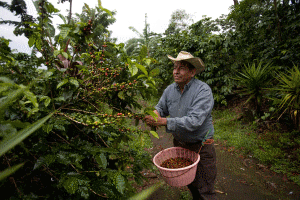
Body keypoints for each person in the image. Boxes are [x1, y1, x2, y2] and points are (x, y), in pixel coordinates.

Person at [145, 51, 217, 200]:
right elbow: (160, 107)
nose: (176, 71)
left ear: (192, 72)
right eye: (175, 67)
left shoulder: (203, 91)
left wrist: (164, 121)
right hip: (181, 146)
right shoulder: (170, 90)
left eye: (182, 68)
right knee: (190, 182)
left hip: (201, 146)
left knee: (205, 189)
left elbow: (194, 121)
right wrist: (155, 114)